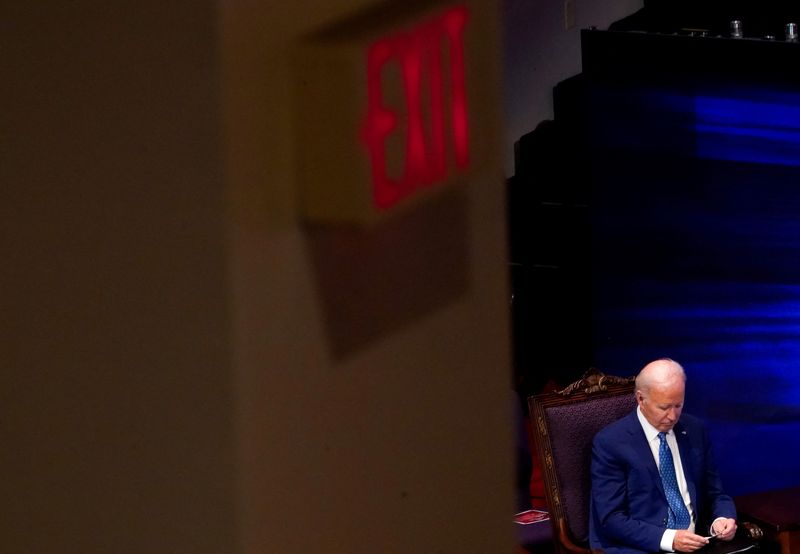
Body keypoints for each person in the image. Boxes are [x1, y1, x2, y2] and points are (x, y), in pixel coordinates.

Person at [589, 358, 738, 554]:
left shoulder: (694, 430)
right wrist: (670, 539)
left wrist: (722, 519)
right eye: (664, 407)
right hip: (640, 546)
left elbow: (715, 493)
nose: (673, 416)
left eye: (678, 405)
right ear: (641, 399)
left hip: (697, 542)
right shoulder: (611, 443)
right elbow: (611, 518)